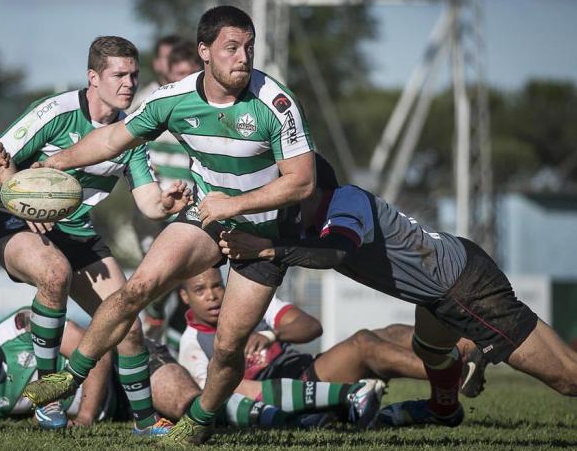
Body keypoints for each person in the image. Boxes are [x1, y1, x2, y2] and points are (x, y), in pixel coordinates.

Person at [22, 5, 316, 446]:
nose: (243, 57)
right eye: (231, 48)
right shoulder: (171, 98)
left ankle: (196, 421)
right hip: (205, 218)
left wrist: (234, 205)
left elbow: (302, 182)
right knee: (137, 289)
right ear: (204, 51)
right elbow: (110, 139)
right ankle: (67, 378)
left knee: (228, 347)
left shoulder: (276, 103)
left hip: (264, 234)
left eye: (249, 48)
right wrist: (58, 160)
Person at [219, 154, 577, 429]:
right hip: (444, 287)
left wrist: (265, 248)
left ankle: (463, 370)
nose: (278, 200)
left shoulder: (346, 201)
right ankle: (443, 409)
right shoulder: (305, 221)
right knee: (431, 349)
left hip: (465, 289)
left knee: (567, 378)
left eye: (288, 190)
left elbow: (336, 252)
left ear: (309, 188)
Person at [0, 36, 191, 434]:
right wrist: (23, 203)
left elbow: (148, 202)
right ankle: (48, 397)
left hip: (77, 232)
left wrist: (168, 204)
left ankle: (145, 423)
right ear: (93, 77)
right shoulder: (55, 111)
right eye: (119, 75)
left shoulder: (131, 133)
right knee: (54, 273)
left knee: (128, 322)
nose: (129, 83)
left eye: (133, 74)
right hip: (13, 224)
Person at [0, 308, 336, 432]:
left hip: (127, 364)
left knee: (191, 408)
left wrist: (85, 416)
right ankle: (310, 416)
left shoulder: (23, 327)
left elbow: (98, 351)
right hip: (117, 410)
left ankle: (304, 416)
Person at [177, 268, 484, 412]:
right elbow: (223, 399)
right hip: (295, 389)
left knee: (387, 333)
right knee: (363, 343)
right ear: (184, 296)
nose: (213, 296)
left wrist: (271, 333)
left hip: (310, 366)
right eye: (200, 290)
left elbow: (310, 327)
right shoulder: (192, 345)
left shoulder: (248, 306)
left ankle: (469, 348)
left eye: (217, 285)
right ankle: (452, 377)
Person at [139, 39, 203, 355]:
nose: (185, 79)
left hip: (197, 207)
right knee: (164, 275)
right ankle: (152, 315)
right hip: (158, 209)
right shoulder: (151, 105)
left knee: (193, 282)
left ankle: (181, 356)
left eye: (192, 72)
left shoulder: (207, 108)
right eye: (179, 73)